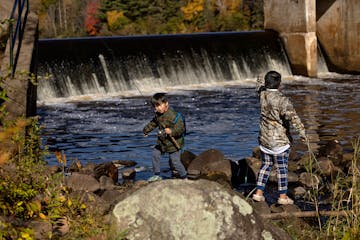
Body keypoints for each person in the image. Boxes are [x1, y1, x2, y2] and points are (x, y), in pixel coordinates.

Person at [252, 71, 307, 205]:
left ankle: (258, 194)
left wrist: (260, 75)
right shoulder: (283, 100)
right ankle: (282, 197)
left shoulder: (262, 94)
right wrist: (303, 134)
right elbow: (293, 118)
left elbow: (258, 85)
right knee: (282, 169)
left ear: (266, 83)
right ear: (280, 84)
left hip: (265, 139)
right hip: (280, 141)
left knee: (266, 165)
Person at [143, 93, 187, 181]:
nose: (157, 108)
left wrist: (172, 131)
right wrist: (146, 130)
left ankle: (184, 177)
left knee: (175, 161)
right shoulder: (158, 115)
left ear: (166, 104)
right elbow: (153, 123)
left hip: (174, 143)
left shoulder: (174, 116)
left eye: (159, 105)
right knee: (155, 155)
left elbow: (181, 128)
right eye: (155, 106)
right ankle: (157, 174)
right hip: (162, 142)